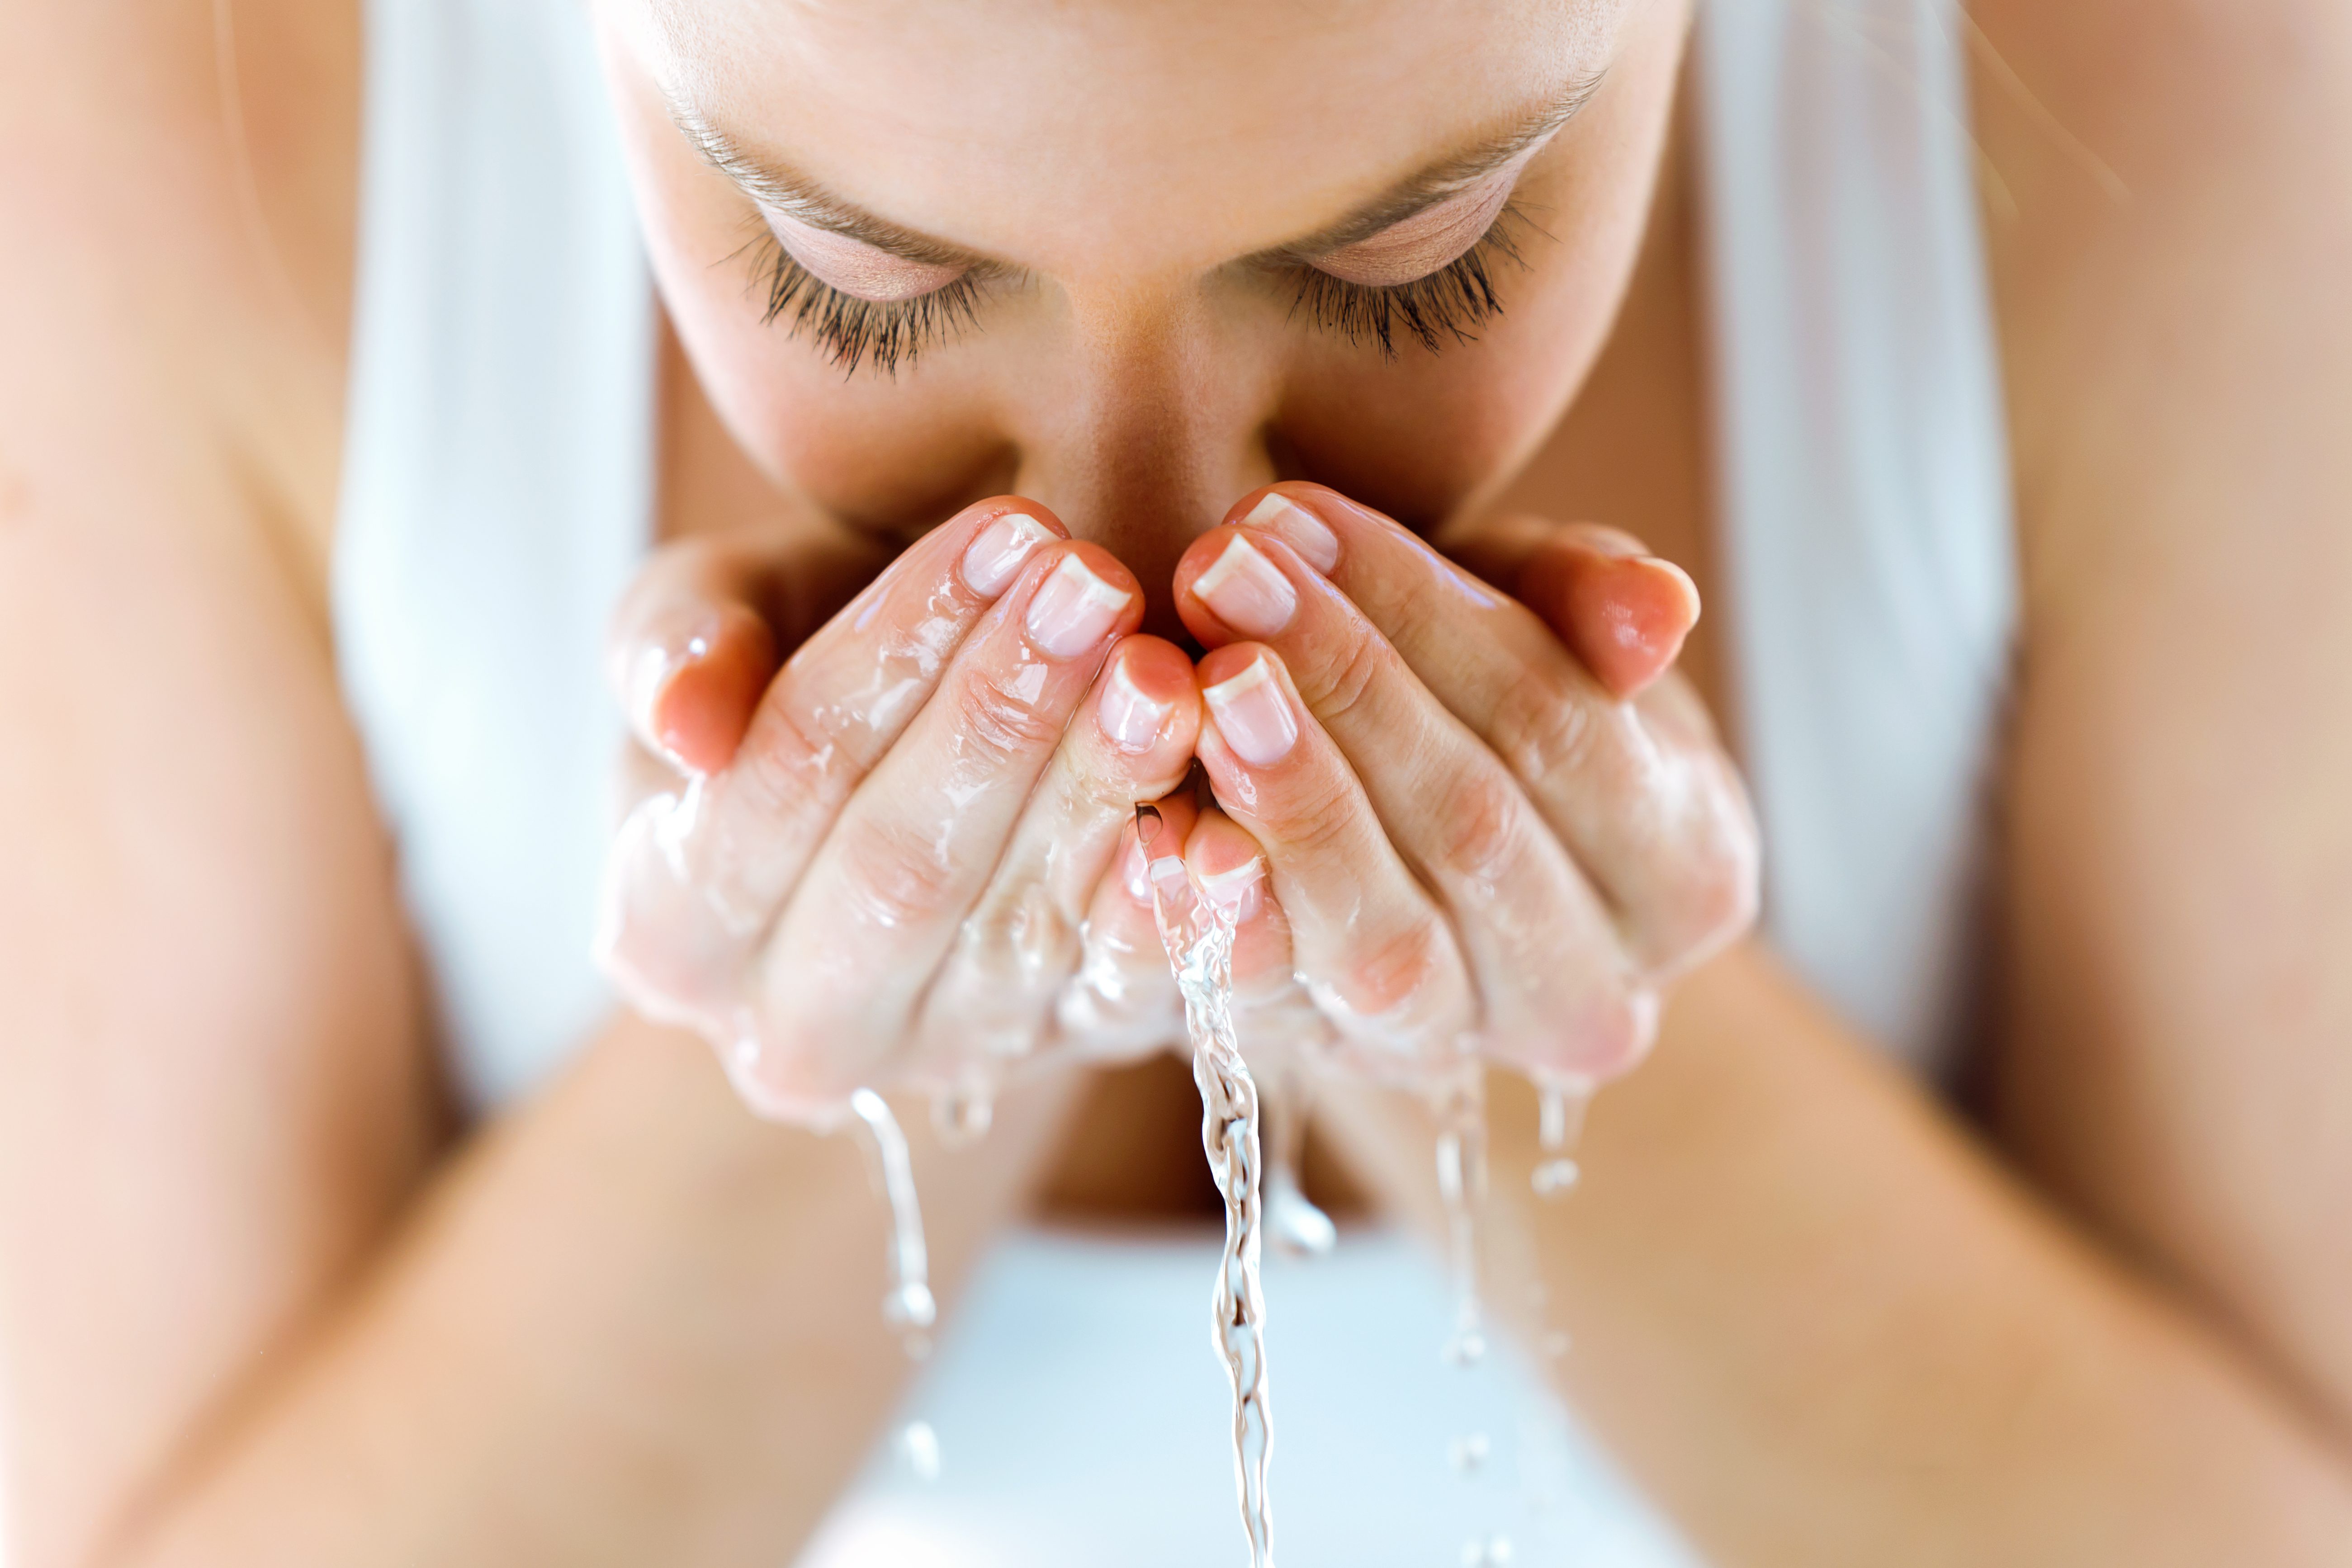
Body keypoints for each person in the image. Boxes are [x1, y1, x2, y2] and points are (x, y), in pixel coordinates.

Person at [5, 0, 2351, 1563]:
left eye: (1415, 262)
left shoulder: (2180, 96)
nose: (1145, 559)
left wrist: (1521, 1013)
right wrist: (849, 1054)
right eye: (856, 280)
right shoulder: (165, 125)